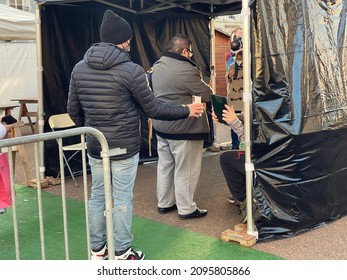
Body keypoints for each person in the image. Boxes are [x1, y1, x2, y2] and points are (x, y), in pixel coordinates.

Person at [67, 10, 204, 261]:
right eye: (128, 40)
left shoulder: (79, 68)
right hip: (124, 148)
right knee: (121, 198)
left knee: (98, 195)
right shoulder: (131, 70)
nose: (130, 43)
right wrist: (186, 111)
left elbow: (73, 111)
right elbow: (153, 109)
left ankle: (98, 250)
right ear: (121, 41)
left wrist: (92, 129)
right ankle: (122, 252)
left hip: (96, 146)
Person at [151, 34, 213, 220]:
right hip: (185, 127)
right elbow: (206, 94)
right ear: (185, 51)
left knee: (165, 166)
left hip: (161, 125)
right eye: (190, 52)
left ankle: (165, 202)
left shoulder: (157, 65)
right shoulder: (186, 69)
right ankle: (186, 208)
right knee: (186, 169)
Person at [212, 104, 247, 223]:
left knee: (227, 158)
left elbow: (252, 142)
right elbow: (247, 116)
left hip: (263, 159)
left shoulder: (264, 101)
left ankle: (244, 199)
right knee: (233, 156)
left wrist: (234, 122)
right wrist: (228, 118)